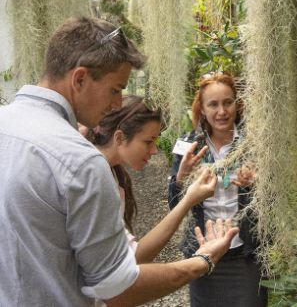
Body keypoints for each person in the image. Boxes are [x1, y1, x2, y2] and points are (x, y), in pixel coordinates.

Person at [0, 17, 239, 307]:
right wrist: (202, 261)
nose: (117, 104)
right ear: (80, 79)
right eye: (115, 89)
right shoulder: (79, 161)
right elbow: (116, 288)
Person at [168, 72, 268, 307]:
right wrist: (181, 178)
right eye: (213, 104)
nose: (222, 112)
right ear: (202, 109)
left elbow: (275, 198)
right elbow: (175, 205)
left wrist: (257, 184)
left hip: (245, 254)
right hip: (203, 252)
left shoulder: (256, 143)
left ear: (236, 103)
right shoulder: (189, 146)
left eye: (227, 102)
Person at [87, 95, 219, 264]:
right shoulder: (94, 178)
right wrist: (188, 200)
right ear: (119, 137)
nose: (155, 150)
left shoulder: (110, 172)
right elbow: (131, 258)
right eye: (148, 142)